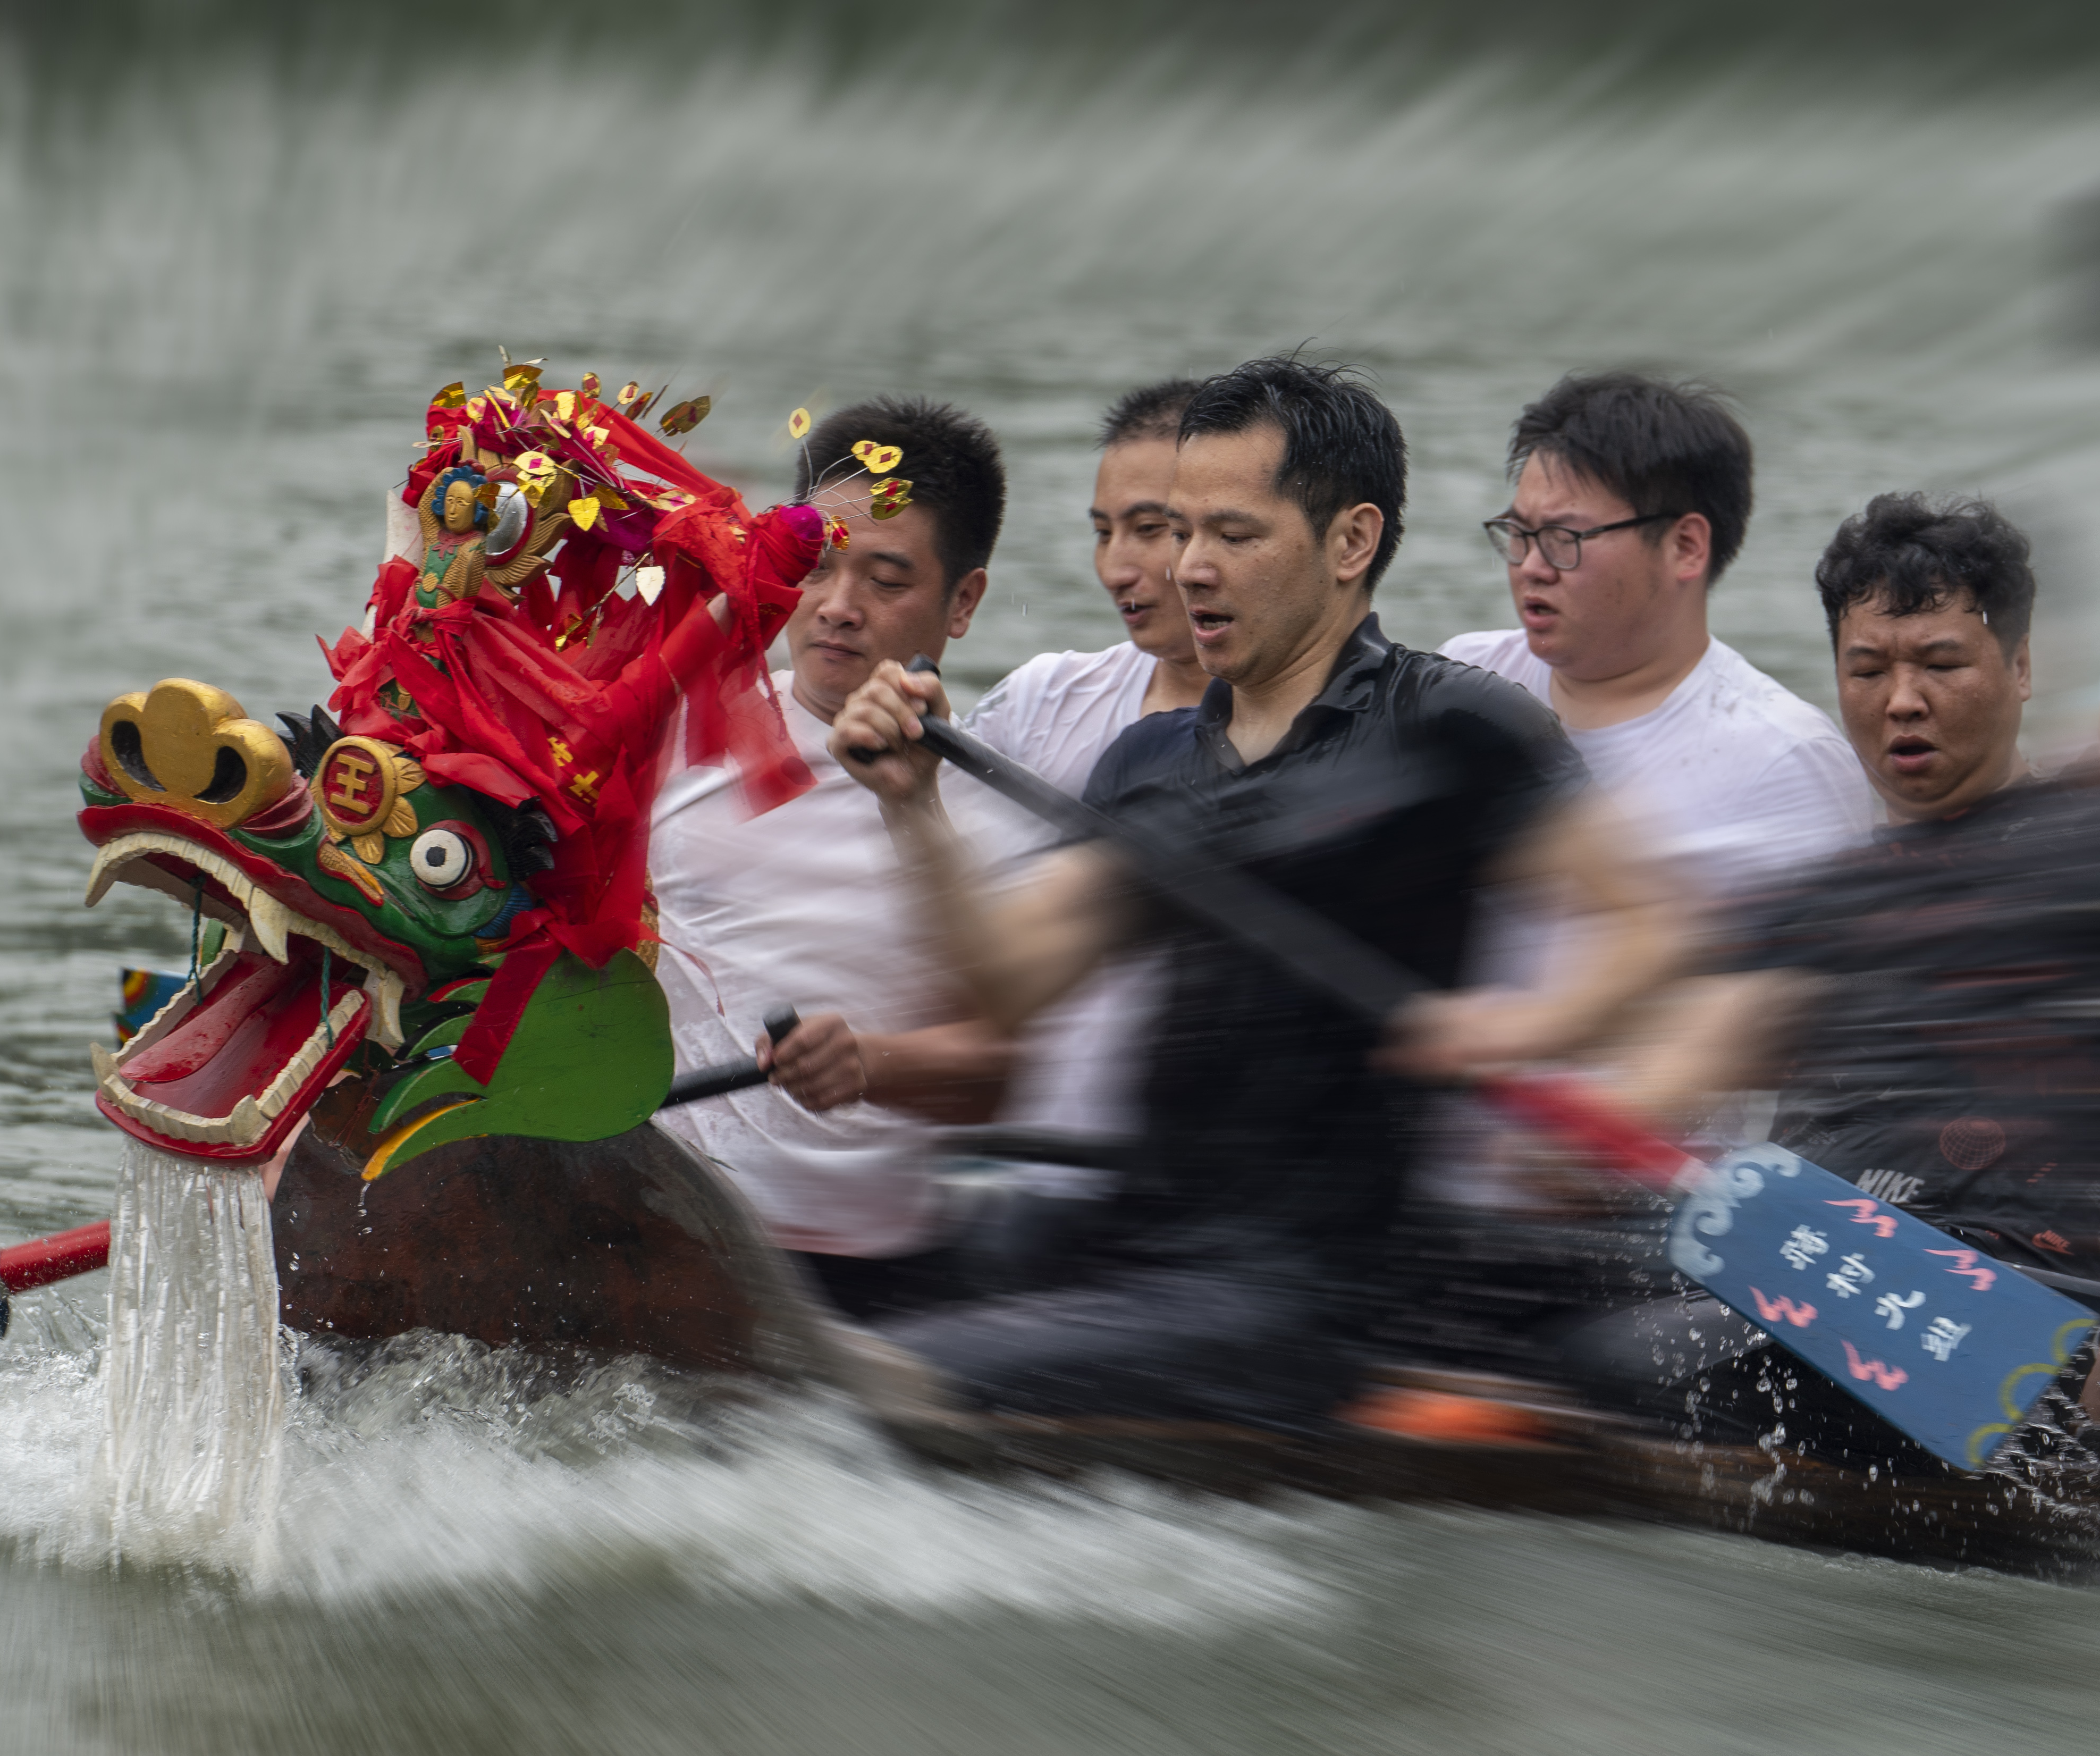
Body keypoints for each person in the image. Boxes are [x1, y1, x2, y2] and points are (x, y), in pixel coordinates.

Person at [824, 356, 1681, 1427]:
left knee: (868, 1384)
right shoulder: (1150, 761)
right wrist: (912, 806)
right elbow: (1010, 980)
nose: (1187, 567)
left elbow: (1650, 928)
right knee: (849, 1305)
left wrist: (1526, 1023)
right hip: (1124, 1229)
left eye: (1232, 534)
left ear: (1350, 541)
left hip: (1301, 1291)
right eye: (1180, 531)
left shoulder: (1452, 725)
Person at [1620, 494, 2093, 1266]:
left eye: (1941, 665)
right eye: (1867, 670)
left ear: (2020, 667)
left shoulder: (2077, 855)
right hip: (1813, 1269)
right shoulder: (1825, 902)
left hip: (2038, 1292)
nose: (1902, 701)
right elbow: (1690, 1057)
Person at [648, 397, 1017, 1317]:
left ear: (963, 602)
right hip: (658, 1231)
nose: (837, 609)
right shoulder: (671, 729)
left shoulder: (995, 802)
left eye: (886, 580)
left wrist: (871, 1064)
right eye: (815, 565)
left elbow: (1000, 1071)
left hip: (858, 1280)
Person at [1440, 373, 1875, 909]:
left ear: (1685, 547)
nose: (1530, 566)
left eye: (1562, 538)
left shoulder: (1785, 759)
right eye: (1519, 533)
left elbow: (1823, 956)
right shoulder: (1464, 680)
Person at [959, 378, 1209, 1146]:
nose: (1114, 568)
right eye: (1104, 532)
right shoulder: (1039, 700)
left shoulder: (1339, 733)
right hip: (1015, 1161)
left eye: (1149, 529)